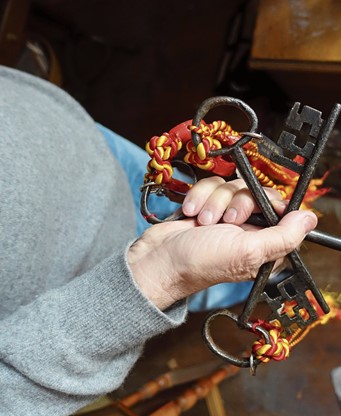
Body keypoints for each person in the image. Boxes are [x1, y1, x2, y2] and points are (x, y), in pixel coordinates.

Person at [0, 65, 318, 414]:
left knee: (211, 213)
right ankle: (267, 273)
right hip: (93, 281)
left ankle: (266, 269)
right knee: (213, 248)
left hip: (74, 143)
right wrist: (160, 273)